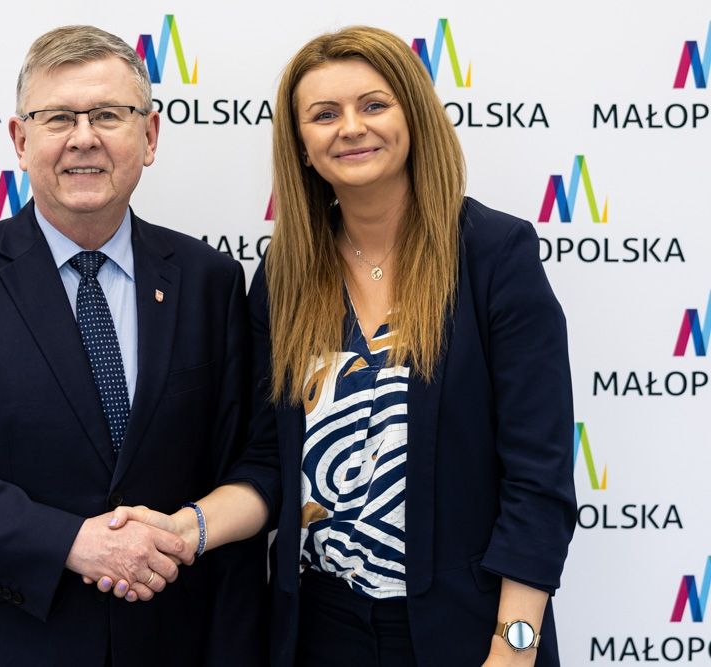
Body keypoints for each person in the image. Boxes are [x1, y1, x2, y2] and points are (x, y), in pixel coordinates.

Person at [102, 25, 576, 667]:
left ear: (413, 118)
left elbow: (538, 477)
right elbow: (269, 460)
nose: (351, 128)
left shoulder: (493, 255)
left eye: (373, 105)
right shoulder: (287, 273)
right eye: (324, 115)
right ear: (301, 145)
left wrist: (514, 647)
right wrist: (185, 529)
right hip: (319, 630)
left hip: (467, 632)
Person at [0, 25, 265, 667]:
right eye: (58, 117)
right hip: (7, 647)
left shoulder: (209, 282)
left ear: (150, 136)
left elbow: (245, 464)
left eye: (108, 114)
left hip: (173, 643)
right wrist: (73, 542)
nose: (84, 137)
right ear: (20, 140)